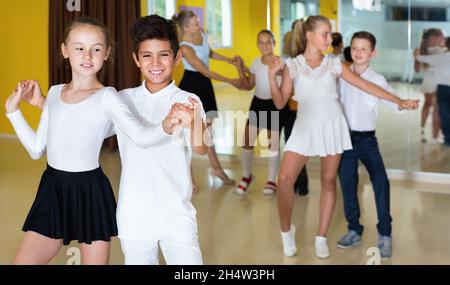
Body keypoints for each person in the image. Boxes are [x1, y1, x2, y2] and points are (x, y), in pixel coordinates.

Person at [4, 17, 190, 265]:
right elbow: (37, 149)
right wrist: (13, 111)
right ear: (65, 50)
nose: (88, 55)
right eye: (79, 48)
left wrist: (165, 125)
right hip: (53, 190)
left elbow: (140, 136)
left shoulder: (108, 97)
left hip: (90, 193)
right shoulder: (56, 92)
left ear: (107, 54)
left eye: (97, 49)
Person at [268, 15, 419, 259]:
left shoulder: (334, 64)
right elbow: (279, 102)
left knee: (329, 182)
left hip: (333, 126)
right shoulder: (293, 65)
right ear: (309, 35)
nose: (330, 38)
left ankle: (321, 237)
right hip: (305, 126)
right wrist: (271, 76)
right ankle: (287, 234)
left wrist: (398, 100)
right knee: (284, 180)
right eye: (325, 34)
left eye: (330, 34)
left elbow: (365, 85)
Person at [115, 15, 209, 265]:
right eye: (147, 55)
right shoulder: (122, 100)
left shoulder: (190, 100)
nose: (155, 63)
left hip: (177, 215)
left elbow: (201, 148)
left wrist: (194, 122)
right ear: (136, 59)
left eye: (164, 55)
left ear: (177, 57)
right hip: (134, 216)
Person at [337, 31, 407, 259]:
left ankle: (385, 234)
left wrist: (403, 103)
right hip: (345, 139)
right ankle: (354, 229)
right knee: (348, 184)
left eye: (363, 49)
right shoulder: (341, 74)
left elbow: (389, 96)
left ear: (373, 53)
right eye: (354, 48)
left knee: (381, 182)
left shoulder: (377, 79)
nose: (358, 53)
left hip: (367, 140)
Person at [173, 10, 242, 187]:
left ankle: (217, 169)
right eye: (195, 22)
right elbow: (203, 70)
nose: (199, 24)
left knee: (207, 133)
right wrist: (231, 80)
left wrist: (228, 60)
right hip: (192, 85)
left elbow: (209, 53)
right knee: (187, 135)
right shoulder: (185, 47)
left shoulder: (201, 35)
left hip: (205, 86)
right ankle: (188, 177)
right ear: (186, 27)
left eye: (198, 21)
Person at [233, 30, 287, 195]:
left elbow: (286, 86)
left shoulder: (281, 62)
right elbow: (249, 85)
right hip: (258, 103)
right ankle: (247, 175)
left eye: (268, 42)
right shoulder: (255, 62)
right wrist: (239, 68)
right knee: (247, 141)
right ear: (257, 45)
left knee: (273, 144)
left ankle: (271, 179)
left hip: (274, 104)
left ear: (274, 43)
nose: (264, 45)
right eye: (261, 42)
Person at [414, 37, 450, 146]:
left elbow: (420, 58)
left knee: (443, 112)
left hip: (442, 89)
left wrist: (416, 54)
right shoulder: (439, 55)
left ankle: (447, 138)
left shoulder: (439, 57)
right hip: (442, 88)